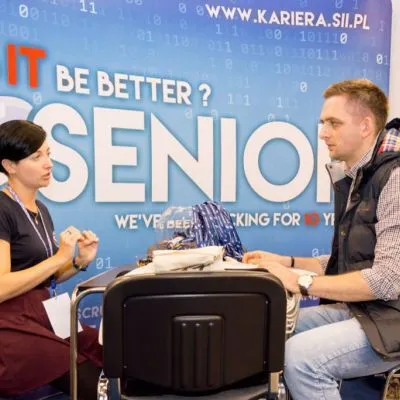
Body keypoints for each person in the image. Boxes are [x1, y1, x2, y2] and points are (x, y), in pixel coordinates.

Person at [243, 79, 400, 400]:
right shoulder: (357, 178)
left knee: (301, 358)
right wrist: (285, 263)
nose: (323, 133)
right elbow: (347, 263)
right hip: (369, 311)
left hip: (391, 317)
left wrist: (300, 282)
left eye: (334, 123)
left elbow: (388, 279)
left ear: (365, 126)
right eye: (323, 123)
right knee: (274, 327)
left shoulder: (394, 178)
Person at [0, 120, 102, 398]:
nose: (48, 164)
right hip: (9, 319)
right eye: (36, 157)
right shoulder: (2, 208)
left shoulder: (41, 209)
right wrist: (59, 258)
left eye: (48, 154)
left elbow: (47, 275)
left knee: (102, 347)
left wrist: (79, 260)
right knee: (81, 374)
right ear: (9, 165)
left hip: (42, 307)